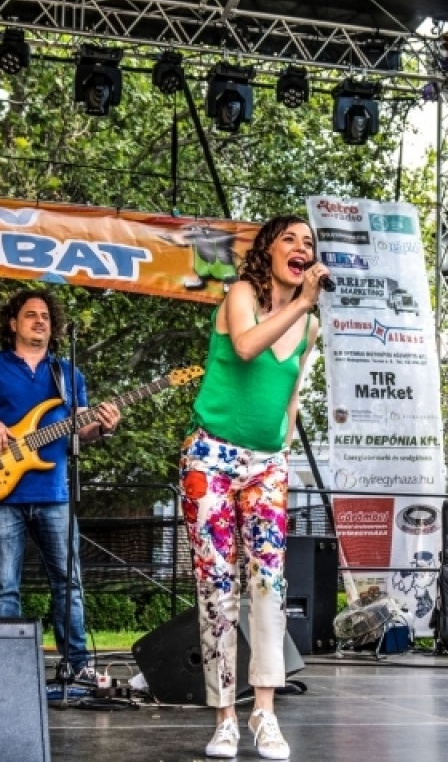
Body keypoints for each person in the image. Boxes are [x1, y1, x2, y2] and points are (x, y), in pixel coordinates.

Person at [179, 214, 326, 760]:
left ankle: (265, 711)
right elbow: (245, 347)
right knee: (217, 586)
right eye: (290, 238)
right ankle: (225, 716)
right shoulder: (241, 293)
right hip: (212, 456)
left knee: (269, 586)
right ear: (268, 251)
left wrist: (283, 448)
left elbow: (291, 393)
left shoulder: (309, 326)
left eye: (308, 242)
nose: (301, 246)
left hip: (267, 464)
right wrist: (302, 303)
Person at [0, 288, 119, 681]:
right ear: (13, 323)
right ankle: (4, 671)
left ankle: (77, 666)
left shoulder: (68, 373)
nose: (40, 321)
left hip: (54, 493)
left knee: (68, 584)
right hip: (2, 491)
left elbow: (82, 429)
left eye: (45, 316)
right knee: (4, 587)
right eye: (30, 315)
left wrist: (104, 427)